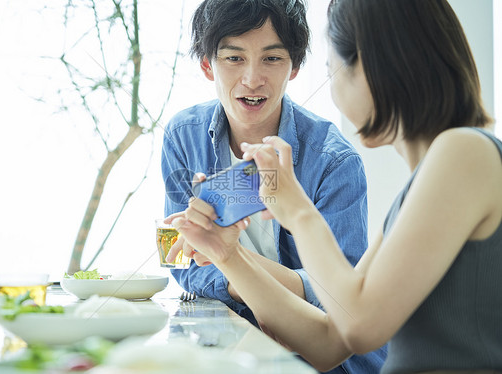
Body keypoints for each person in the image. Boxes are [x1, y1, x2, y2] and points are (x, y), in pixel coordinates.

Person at [169, 0, 502, 372]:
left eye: (332, 69)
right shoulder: (432, 176)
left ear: (376, 67)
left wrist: (296, 210)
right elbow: (329, 343)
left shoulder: (464, 152)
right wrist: (227, 255)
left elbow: (357, 326)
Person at [160, 0, 387, 372]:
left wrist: (227, 261)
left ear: (295, 67)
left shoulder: (334, 160)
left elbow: (337, 293)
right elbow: (178, 255)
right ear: (207, 64)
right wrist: (235, 270)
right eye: (234, 58)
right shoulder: (183, 136)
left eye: (271, 59)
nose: (252, 79)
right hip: (229, 342)